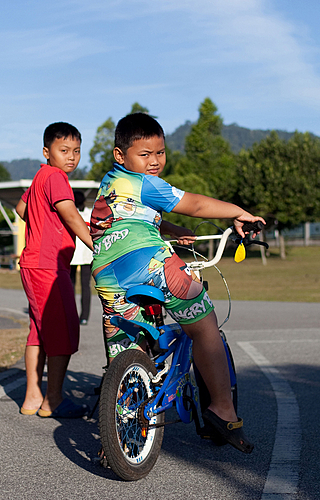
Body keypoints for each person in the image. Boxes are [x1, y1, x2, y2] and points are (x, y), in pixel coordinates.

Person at [91, 112, 264, 453]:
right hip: (149, 262)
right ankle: (222, 410)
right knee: (204, 322)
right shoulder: (147, 183)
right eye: (145, 154)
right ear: (120, 155)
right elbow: (194, 204)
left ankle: (121, 423)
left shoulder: (110, 184)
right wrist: (238, 212)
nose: (154, 161)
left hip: (107, 272)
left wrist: (170, 229)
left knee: (128, 344)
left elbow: (123, 216)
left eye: (160, 152)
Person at [16, 122, 93, 418]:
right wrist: (95, 243)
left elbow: (21, 209)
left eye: (76, 151)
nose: (71, 157)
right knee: (63, 329)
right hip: (48, 264)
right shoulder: (57, 177)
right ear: (47, 152)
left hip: (33, 263)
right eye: (64, 150)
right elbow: (70, 214)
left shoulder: (40, 177)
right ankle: (54, 400)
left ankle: (32, 397)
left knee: (39, 331)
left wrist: (42, 224)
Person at [70, 190, 93, 325]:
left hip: (83, 255)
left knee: (74, 286)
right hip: (79, 254)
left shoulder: (72, 213)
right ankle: (82, 316)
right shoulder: (90, 213)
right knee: (83, 286)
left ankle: (80, 316)